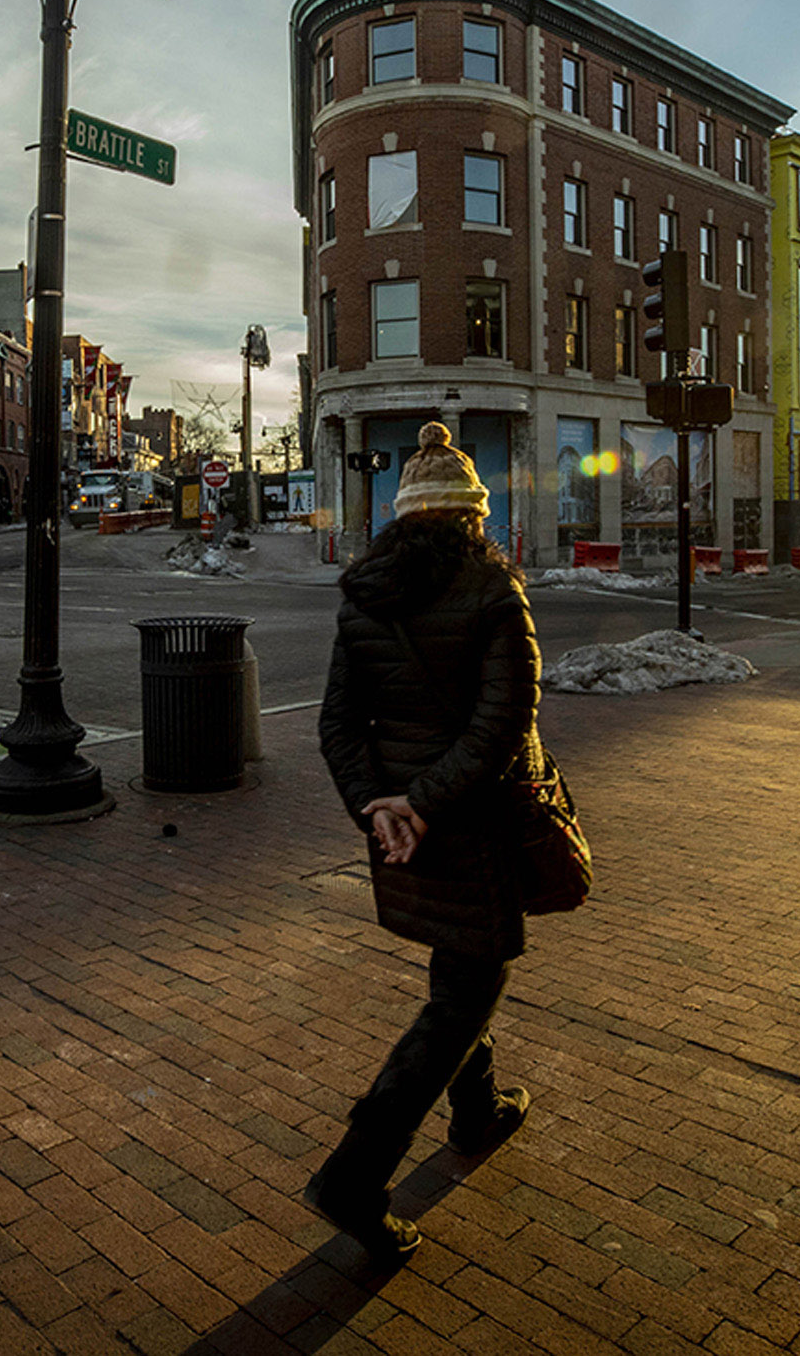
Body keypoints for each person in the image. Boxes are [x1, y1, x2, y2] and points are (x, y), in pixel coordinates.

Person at [311, 422, 543, 1266]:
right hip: (465, 826)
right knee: (466, 990)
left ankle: (476, 1111)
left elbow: (337, 724)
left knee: (459, 964)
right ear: (471, 516)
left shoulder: (362, 593)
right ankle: (354, 1175)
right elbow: (502, 728)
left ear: (402, 518)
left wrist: (379, 810)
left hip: (401, 837)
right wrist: (422, 804)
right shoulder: (493, 590)